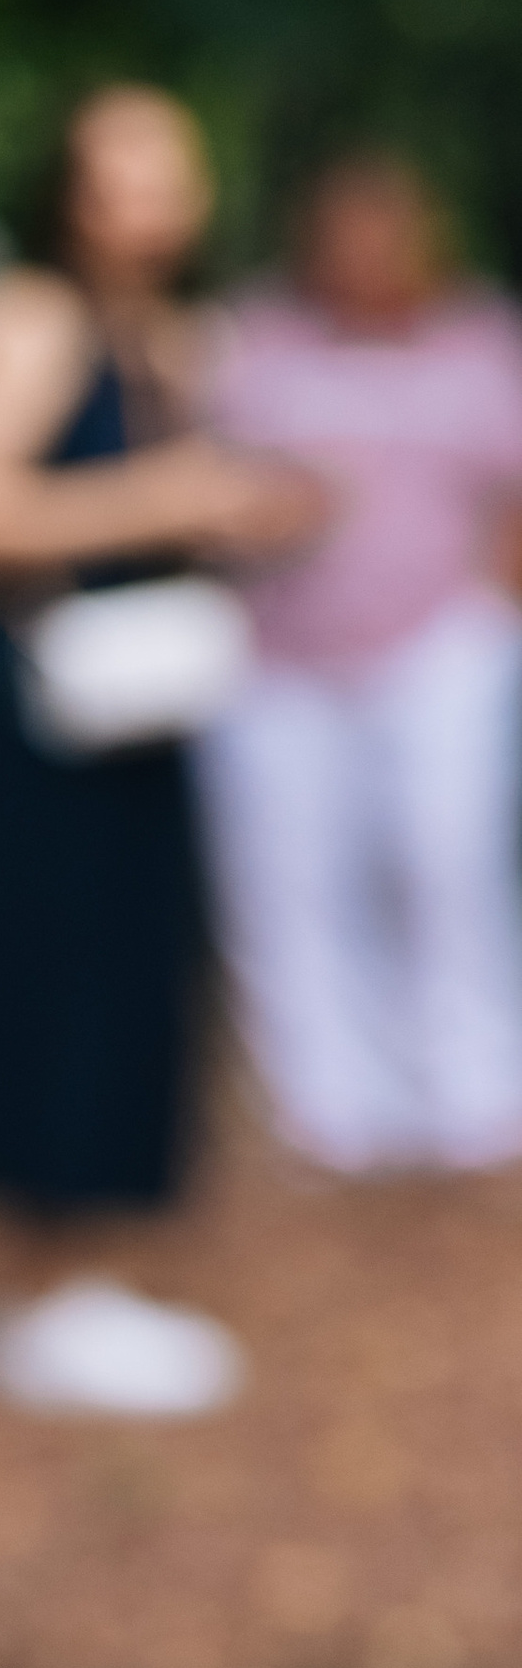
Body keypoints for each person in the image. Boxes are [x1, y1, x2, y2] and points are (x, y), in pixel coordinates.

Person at [0, 82, 325, 1412]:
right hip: (43, 726)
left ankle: (85, 1271)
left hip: (142, 718)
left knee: (136, 976)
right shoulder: (28, 319)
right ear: (70, 191)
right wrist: (163, 496)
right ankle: (32, 1293)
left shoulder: (176, 334)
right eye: (124, 173)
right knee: (53, 980)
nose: (154, 200)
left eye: (171, 171)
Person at [196, 152, 522, 1171]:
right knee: (287, 882)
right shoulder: (250, 341)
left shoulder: (477, 340)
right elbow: (196, 483)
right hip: (274, 659)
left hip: (436, 646)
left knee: (439, 861)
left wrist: (487, 615)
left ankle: (468, 1097)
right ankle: (326, 1108)